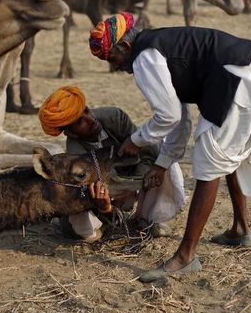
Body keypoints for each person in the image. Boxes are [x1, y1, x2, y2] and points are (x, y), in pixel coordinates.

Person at [88, 12, 251, 282]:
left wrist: (135, 141)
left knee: (209, 164)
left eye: (112, 58)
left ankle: (185, 256)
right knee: (225, 154)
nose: (116, 66)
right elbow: (179, 119)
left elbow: (168, 117)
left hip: (235, 80)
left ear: (124, 46)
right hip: (248, 69)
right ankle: (241, 229)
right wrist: (162, 163)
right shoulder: (157, 45)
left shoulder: (144, 58)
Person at [37, 85, 185, 242]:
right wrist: (106, 206)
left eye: (86, 110)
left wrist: (135, 183)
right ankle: (106, 225)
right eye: (80, 121)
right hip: (105, 194)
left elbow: (147, 153)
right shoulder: (75, 152)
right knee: (78, 224)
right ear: (70, 133)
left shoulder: (114, 117)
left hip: (129, 180)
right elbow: (87, 192)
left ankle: (146, 218)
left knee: (163, 159)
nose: (90, 119)